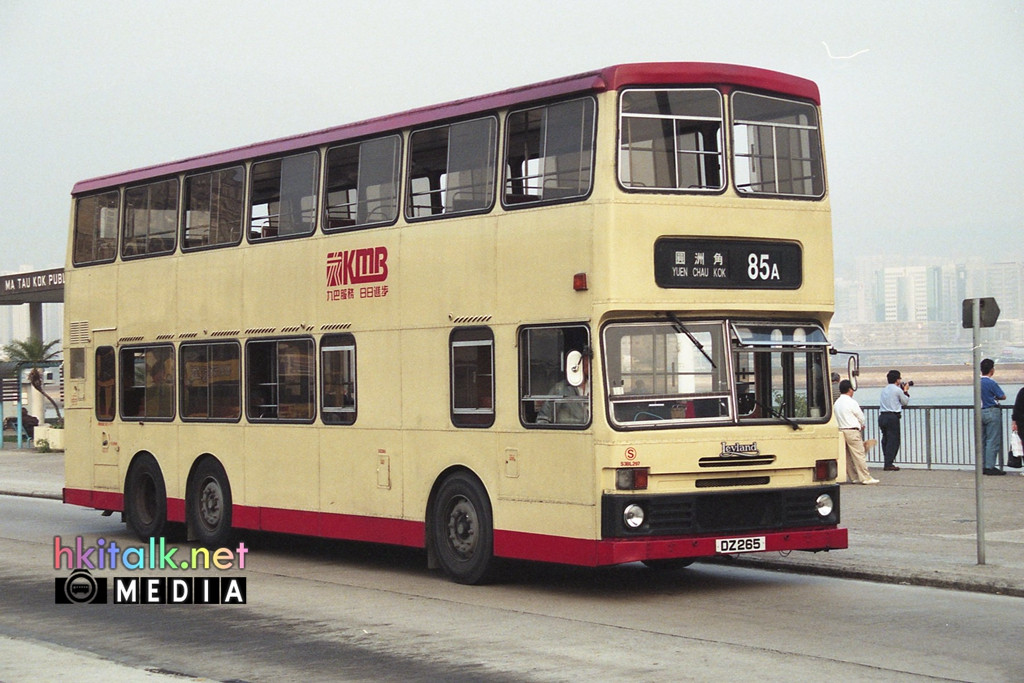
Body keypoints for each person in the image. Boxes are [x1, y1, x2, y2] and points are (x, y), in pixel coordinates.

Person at [834, 379, 878, 485]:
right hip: (852, 431)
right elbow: (861, 416)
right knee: (859, 455)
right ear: (850, 389)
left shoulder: (837, 403)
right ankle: (865, 477)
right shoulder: (851, 402)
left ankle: (854, 477)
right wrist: (861, 424)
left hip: (841, 431)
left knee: (848, 456)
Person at [535, 348, 590, 425]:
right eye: (585, 361)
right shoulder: (560, 388)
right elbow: (543, 419)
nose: (588, 364)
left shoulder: (596, 388)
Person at [878, 369, 910, 471]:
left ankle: (887, 461)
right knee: (893, 441)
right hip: (892, 417)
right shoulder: (897, 390)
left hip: (882, 416)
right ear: (897, 380)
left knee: (886, 440)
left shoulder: (884, 390)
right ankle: (888, 463)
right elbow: (905, 402)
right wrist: (905, 391)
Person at [980, 358, 1007, 475]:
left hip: (980, 412)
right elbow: (1002, 396)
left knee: (982, 440)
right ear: (992, 370)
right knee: (992, 440)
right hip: (991, 410)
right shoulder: (991, 383)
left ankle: (982, 465)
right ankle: (989, 466)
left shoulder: (977, 382)